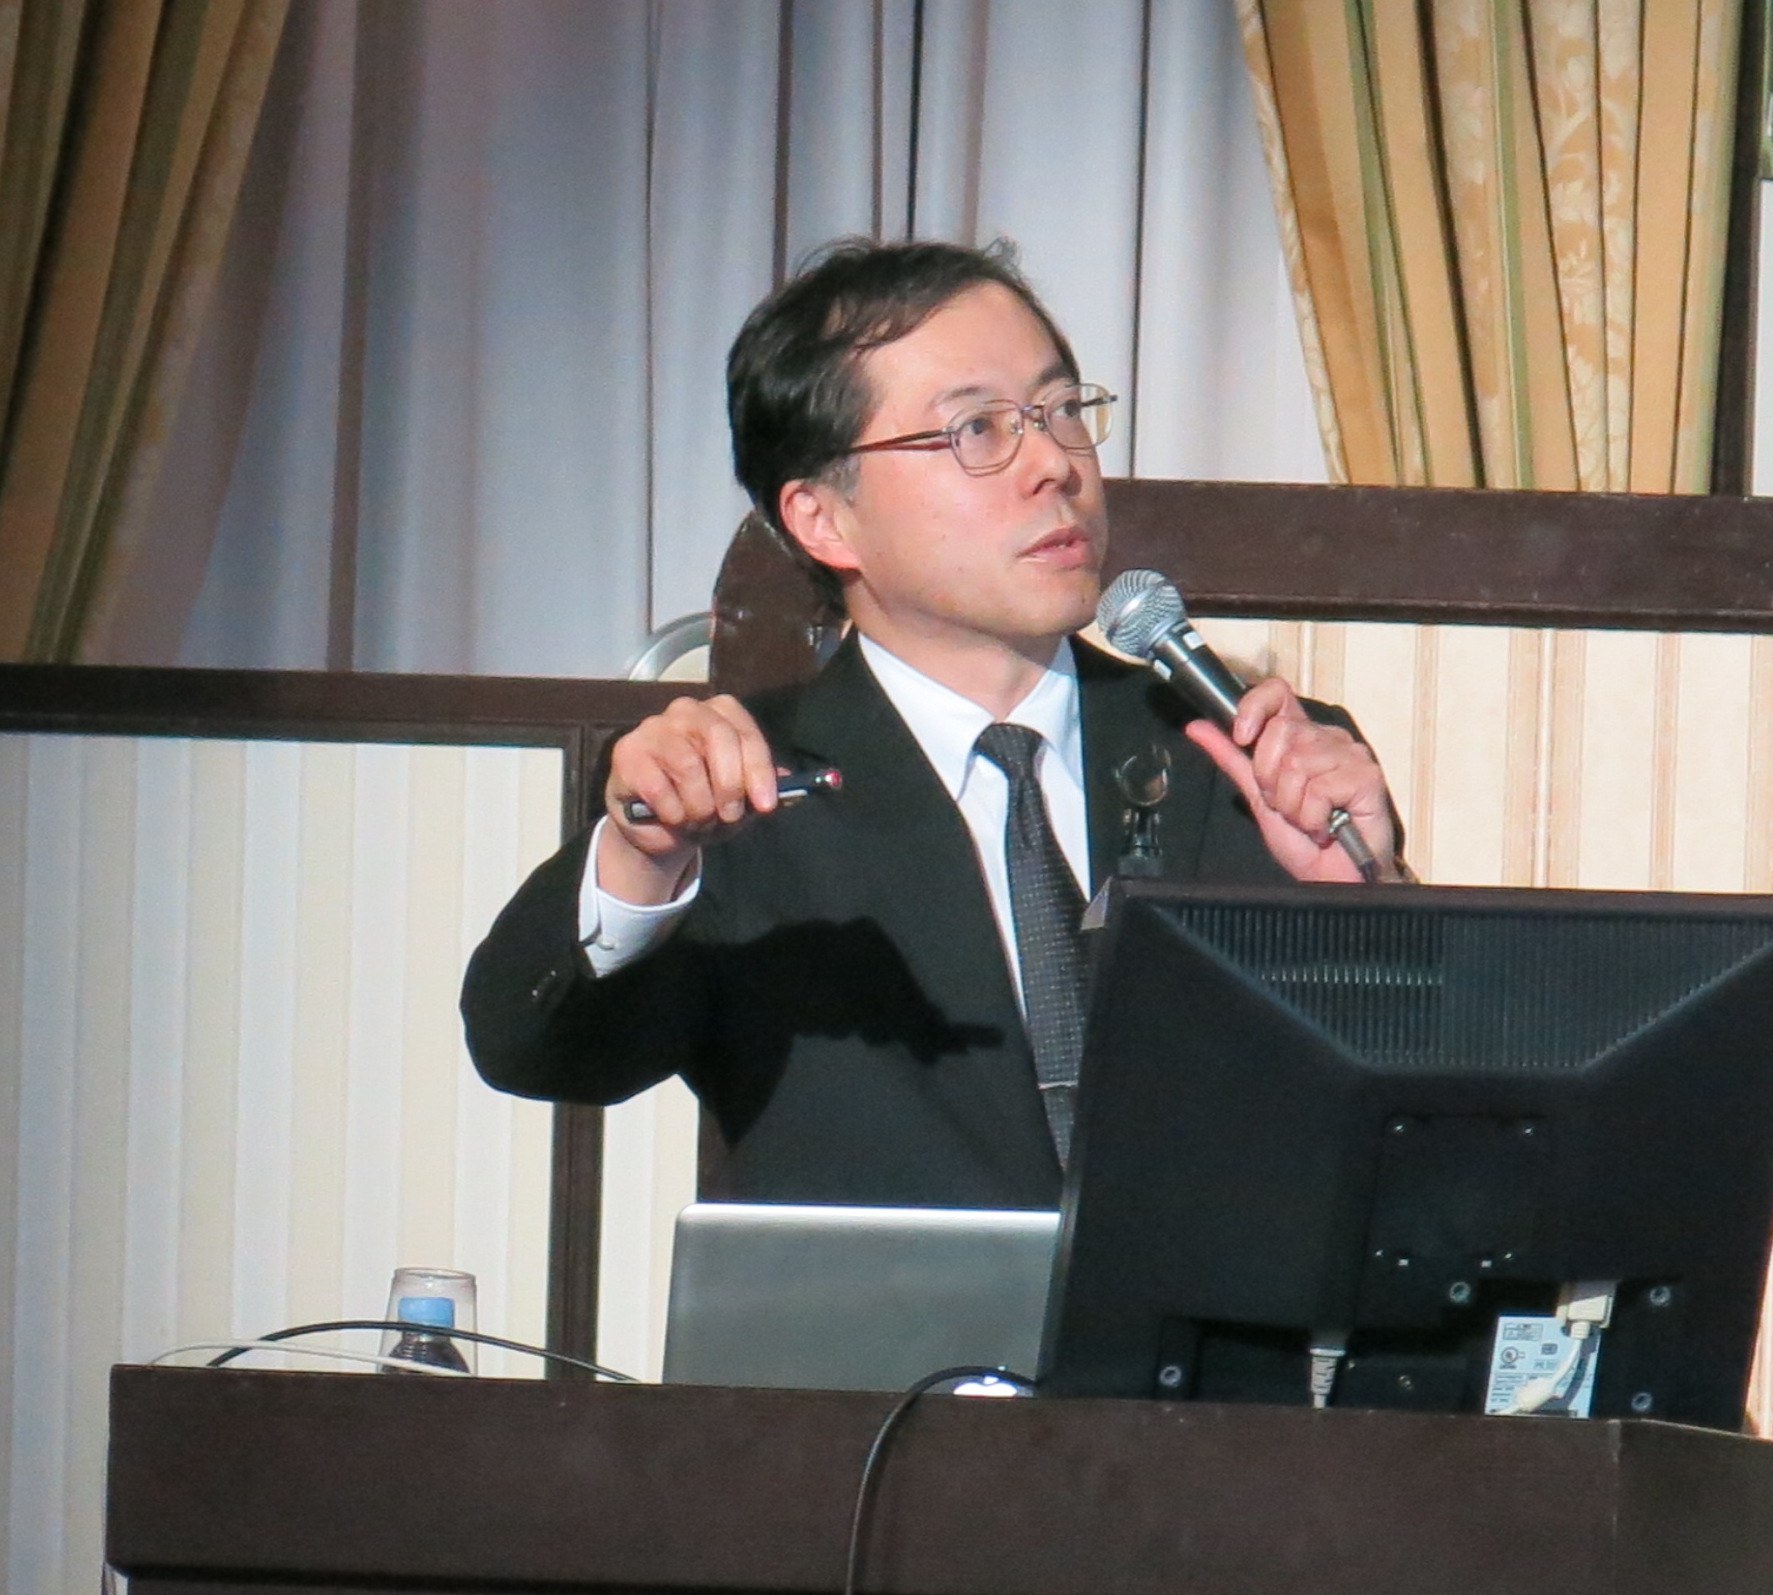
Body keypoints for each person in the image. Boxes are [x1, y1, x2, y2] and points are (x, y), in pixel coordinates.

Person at [462, 238, 1398, 1207]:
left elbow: (1409, 1124)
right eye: (977, 430)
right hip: (887, 1315)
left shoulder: (1247, 768)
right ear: (823, 519)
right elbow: (534, 1047)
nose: (1053, 464)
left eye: (1061, 411)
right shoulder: (742, 796)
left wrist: (1371, 904)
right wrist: (640, 860)